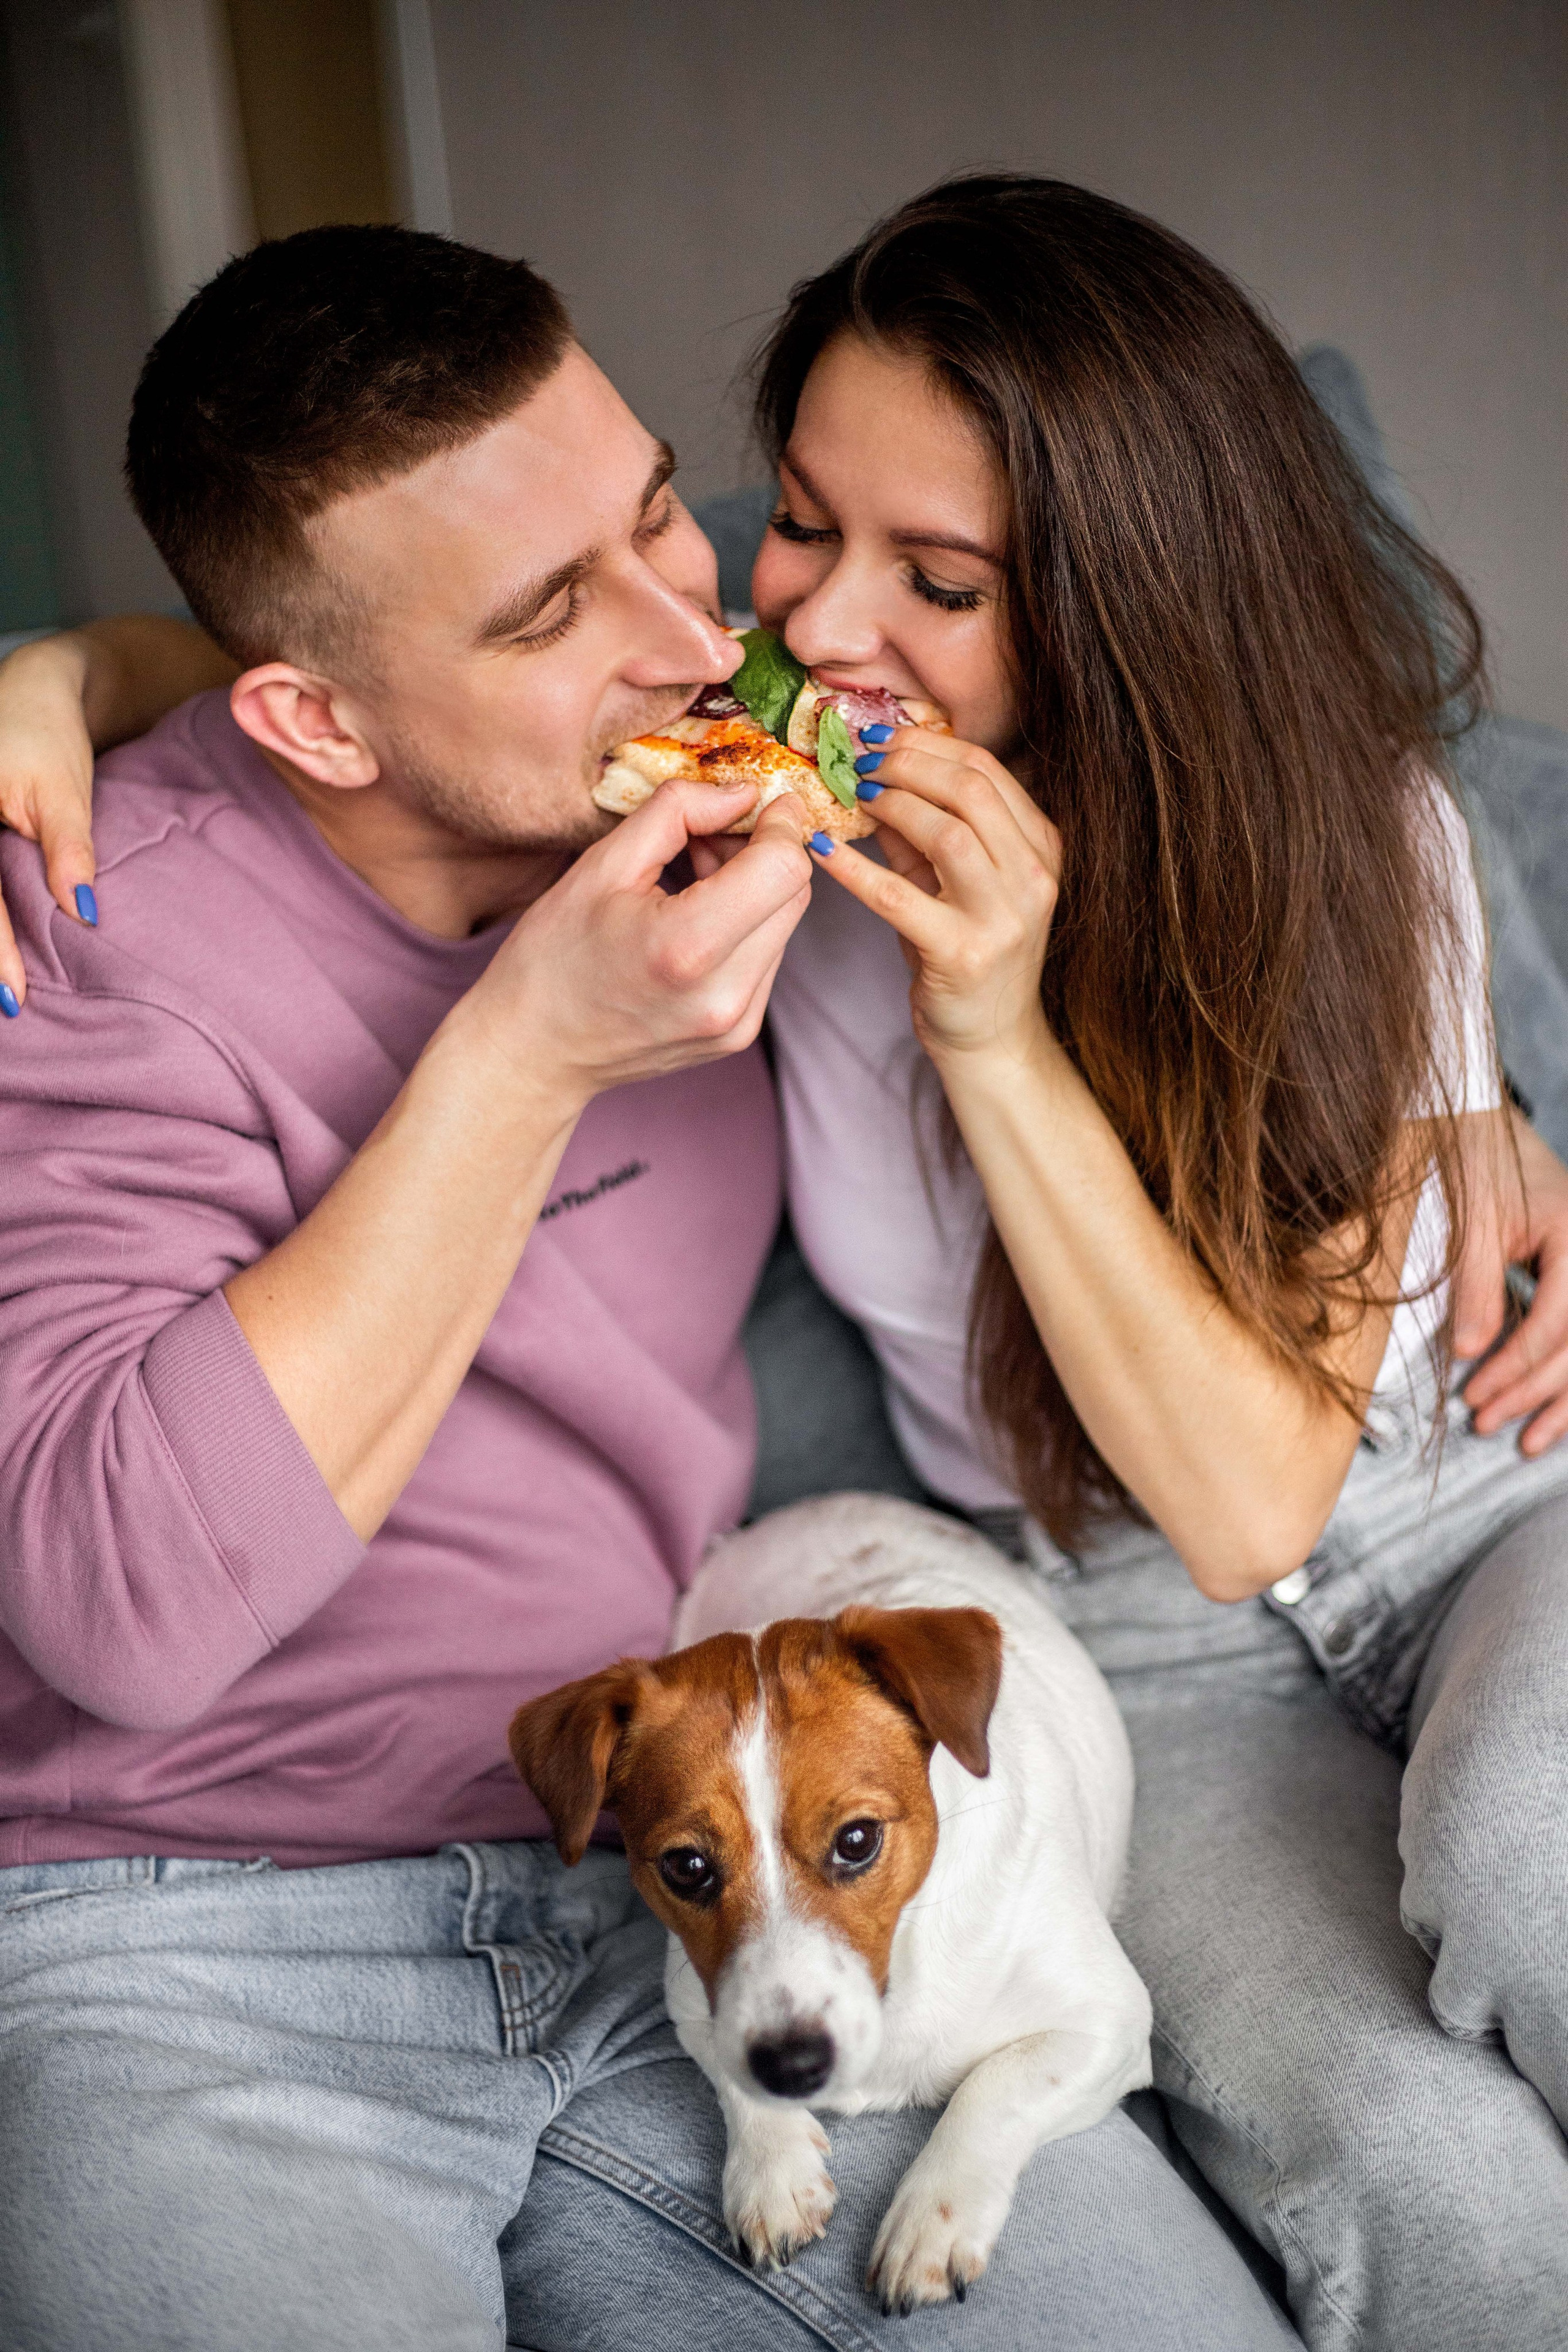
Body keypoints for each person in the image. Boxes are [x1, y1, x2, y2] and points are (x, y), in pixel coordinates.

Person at [0, 226, 1302, 2352]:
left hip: (678, 1864)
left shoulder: (744, 837)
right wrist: (526, 1049)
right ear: (313, 715)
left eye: (658, 520)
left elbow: (1242, 830)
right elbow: (123, 1607)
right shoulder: (72, 940)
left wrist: (1477, 1108)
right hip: (198, 1941)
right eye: (549, 612)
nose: (699, 635)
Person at [730, 178, 1568, 2348]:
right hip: (1118, 1638)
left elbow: (1255, 1493)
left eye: (942, 582)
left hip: (1483, 1481)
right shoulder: (741, 795)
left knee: (1532, 1864)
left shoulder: (1343, 835)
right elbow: (372, 642)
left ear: (1124, 610)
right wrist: (62, 676)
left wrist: (996, 1033)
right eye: (803, 524)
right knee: (1423, 2174)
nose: (823, 630)